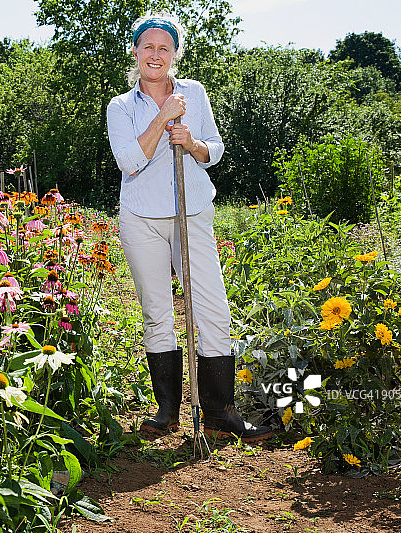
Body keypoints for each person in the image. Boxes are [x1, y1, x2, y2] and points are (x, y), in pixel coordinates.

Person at [106, 14, 271, 442]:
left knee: (212, 308)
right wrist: (163, 119)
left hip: (191, 212)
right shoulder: (121, 107)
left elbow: (213, 148)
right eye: (148, 47)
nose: (155, 55)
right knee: (157, 311)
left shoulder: (194, 93)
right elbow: (129, 160)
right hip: (142, 217)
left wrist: (192, 143)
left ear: (175, 54)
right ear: (137, 53)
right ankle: (167, 411)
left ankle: (220, 410)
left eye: (164, 48)